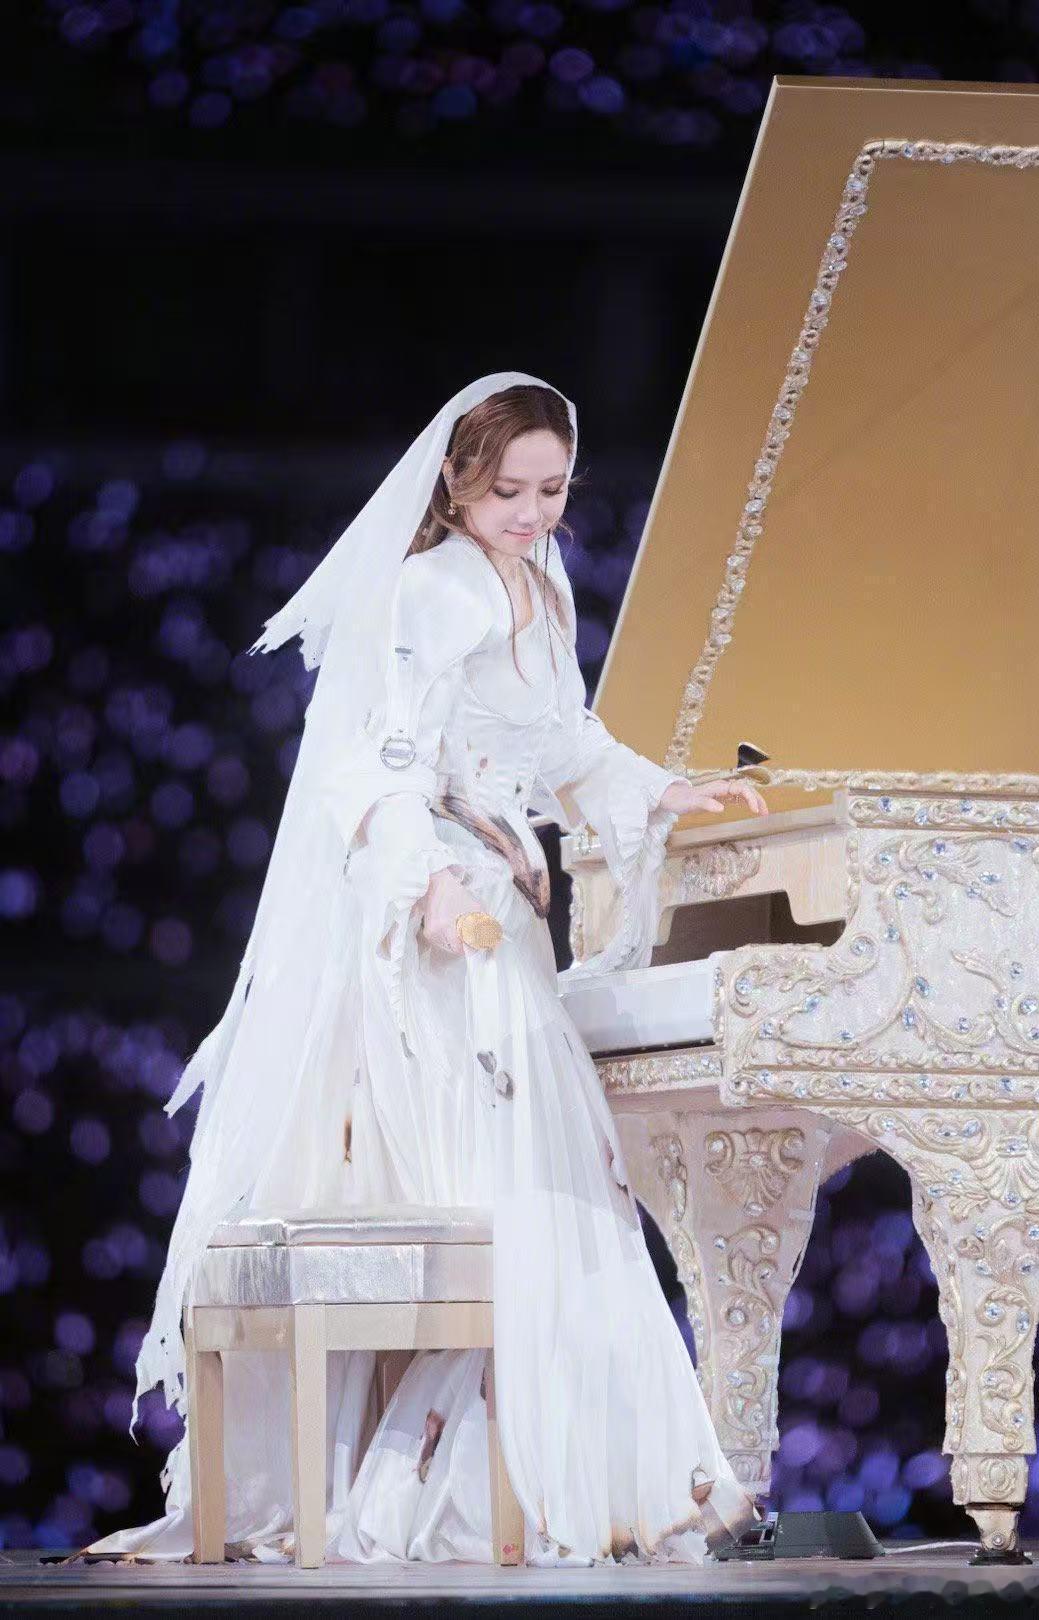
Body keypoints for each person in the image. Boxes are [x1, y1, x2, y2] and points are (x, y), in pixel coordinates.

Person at [87, 372, 769, 1568]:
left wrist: (665, 790)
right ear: (456, 482)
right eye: (509, 492)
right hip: (440, 924)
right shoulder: (432, 589)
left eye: (552, 490)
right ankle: (464, 1483)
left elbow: (564, 741)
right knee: (506, 1186)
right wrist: (432, 889)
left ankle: (576, 1478)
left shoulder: (541, 580)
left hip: (504, 907)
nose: (533, 512)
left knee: (563, 1187)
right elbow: (374, 762)